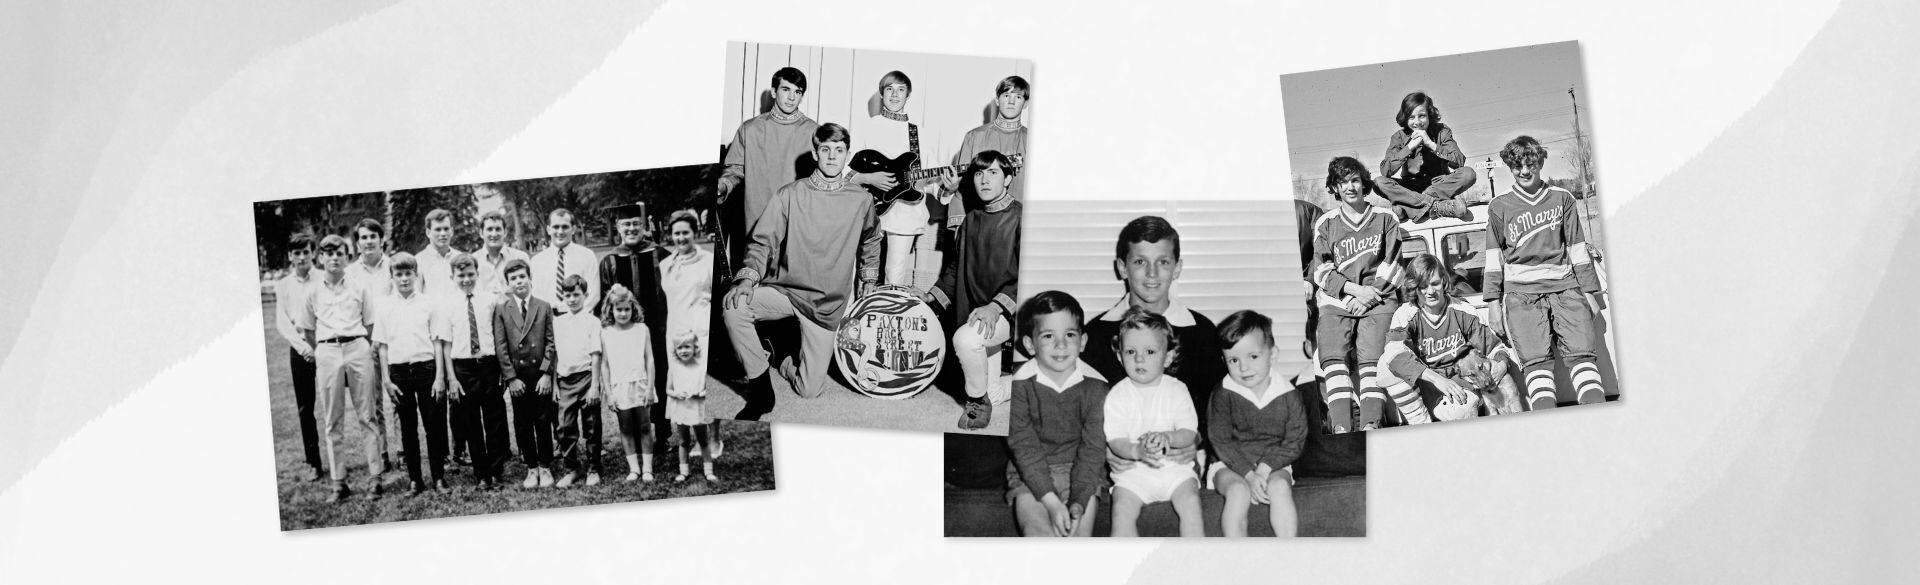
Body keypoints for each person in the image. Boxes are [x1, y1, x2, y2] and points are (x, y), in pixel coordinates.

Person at [723, 123, 882, 418]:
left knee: (809, 391)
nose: (832, 156)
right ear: (814, 152)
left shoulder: (861, 199)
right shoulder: (790, 194)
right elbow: (762, 240)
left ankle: (781, 354)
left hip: (825, 304)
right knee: (734, 305)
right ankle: (760, 392)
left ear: (848, 154)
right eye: (825, 149)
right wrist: (746, 278)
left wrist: (868, 279)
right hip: (786, 290)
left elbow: (872, 238)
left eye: (839, 150)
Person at [1485, 135, 1607, 409]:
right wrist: (1493, 304)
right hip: (1522, 297)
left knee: (1583, 360)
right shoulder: (1499, 206)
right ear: (1510, 167)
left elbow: (1577, 248)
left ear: (1540, 162)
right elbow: (1493, 260)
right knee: (1537, 368)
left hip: (1565, 289)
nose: (1525, 171)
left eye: (1530, 164)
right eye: (1518, 167)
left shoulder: (1561, 198)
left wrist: (1590, 293)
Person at [1082, 216, 1221, 438]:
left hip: (1184, 458)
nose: (1152, 273)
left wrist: (1191, 446)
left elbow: (1218, 412)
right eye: (1140, 262)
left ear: (1177, 268)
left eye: (1163, 262)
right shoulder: (1096, 334)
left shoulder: (1203, 333)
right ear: (1122, 268)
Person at [1311, 156, 1406, 433]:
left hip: (1378, 297)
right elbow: (1322, 271)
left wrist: (1369, 294)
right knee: (1332, 355)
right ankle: (1341, 427)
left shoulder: (1384, 217)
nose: (1350, 187)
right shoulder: (1326, 223)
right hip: (1339, 300)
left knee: (1372, 358)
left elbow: (1393, 266)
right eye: (1343, 182)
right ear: (1335, 187)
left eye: (1354, 180)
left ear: (1363, 183)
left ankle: (1370, 425)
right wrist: (1353, 292)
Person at [928, 151, 1021, 430]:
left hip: (1010, 314)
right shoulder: (971, 219)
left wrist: (995, 307)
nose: (984, 180)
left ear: (1008, 179)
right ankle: (1030, 382)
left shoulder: (1021, 218)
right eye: (979, 173)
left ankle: (978, 405)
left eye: (993, 173)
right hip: (978, 312)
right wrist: (931, 296)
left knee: (966, 340)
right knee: (988, 388)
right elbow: (956, 270)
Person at [1004, 291, 1105, 538]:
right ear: (1030, 344)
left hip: (1080, 473)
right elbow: (1025, 448)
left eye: (1069, 335)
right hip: (1030, 474)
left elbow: (1092, 451)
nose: (1061, 345)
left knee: (1078, 538)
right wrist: (1051, 503)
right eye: (1048, 336)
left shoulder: (1097, 387)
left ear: (1082, 341)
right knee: (1038, 535)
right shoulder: (1017, 387)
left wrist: (1079, 502)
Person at [296, 234, 387, 501]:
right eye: (329, 253)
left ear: (347, 258)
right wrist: (324, 349)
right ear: (320, 258)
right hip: (327, 350)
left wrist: (357, 346)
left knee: (367, 414)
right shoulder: (311, 291)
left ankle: (375, 477)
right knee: (332, 419)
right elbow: (308, 330)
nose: (334, 258)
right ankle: (339, 482)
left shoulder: (359, 287)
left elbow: (370, 326)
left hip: (357, 346)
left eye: (339, 254)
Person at [1381, 253, 1522, 423]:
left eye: (1435, 284)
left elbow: (1494, 347)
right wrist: (1437, 380)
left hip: (1460, 384)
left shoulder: (1461, 309)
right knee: (1385, 367)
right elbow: (1394, 356)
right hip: (1427, 384)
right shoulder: (1405, 314)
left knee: (1464, 408)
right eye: (1423, 286)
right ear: (1414, 288)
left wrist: (1502, 364)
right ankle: (1421, 424)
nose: (1430, 292)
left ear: (1444, 280)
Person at [1103, 307, 1203, 538]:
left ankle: (1197, 559)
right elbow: (1115, 440)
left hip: (1174, 470)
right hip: (1134, 473)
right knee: (1121, 510)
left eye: (1149, 351)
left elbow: (1189, 431)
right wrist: (1136, 450)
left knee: (1190, 502)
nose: (1139, 358)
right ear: (1119, 356)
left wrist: (1169, 437)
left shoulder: (1177, 390)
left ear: (1168, 357)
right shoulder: (1117, 395)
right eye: (1130, 351)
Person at [1206, 310, 1305, 537]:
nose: (1243, 367)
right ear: (1224, 360)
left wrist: (1264, 469)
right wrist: (1248, 475)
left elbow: (1294, 441)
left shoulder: (1289, 394)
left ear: (1272, 355)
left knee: (1279, 487)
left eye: (1253, 356)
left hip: (1273, 464)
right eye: (1233, 360)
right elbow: (1220, 439)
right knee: (1238, 491)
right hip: (1228, 463)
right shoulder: (1223, 393)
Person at [718, 66, 821, 272]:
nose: (792, 97)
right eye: (786, 89)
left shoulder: (813, 131)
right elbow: (735, 170)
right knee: (750, 288)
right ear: (774, 92)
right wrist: (723, 185)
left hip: (794, 224)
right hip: (755, 220)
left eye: (798, 92)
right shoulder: (750, 128)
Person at [852, 70, 944, 288]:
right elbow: (845, 170)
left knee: (894, 276)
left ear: (908, 95)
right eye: (889, 89)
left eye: (900, 89)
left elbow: (930, 180)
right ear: (881, 94)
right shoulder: (867, 126)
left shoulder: (919, 132)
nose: (895, 95)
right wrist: (869, 178)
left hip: (905, 213)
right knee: (861, 271)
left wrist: (947, 187)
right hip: (868, 209)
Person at [596, 203, 673, 461]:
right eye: (626, 224)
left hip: (660, 331)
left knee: (659, 378)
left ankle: (662, 435)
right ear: (618, 228)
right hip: (624, 337)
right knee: (629, 379)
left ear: (643, 226)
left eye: (635, 224)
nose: (631, 228)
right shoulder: (608, 261)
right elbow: (604, 304)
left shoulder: (661, 254)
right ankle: (635, 434)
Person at [375, 253, 452, 494]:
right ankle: (415, 479)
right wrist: (387, 380)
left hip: (427, 369)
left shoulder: (429, 304)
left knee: (434, 425)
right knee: (408, 428)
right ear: (392, 277)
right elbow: (383, 345)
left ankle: (439, 477)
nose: (404, 279)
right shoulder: (385, 306)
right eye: (399, 274)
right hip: (399, 373)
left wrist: (440, 377)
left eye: (409, 273)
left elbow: (438, 342)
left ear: (416, 275)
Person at [441, 252, 511, 489]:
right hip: (463, 368)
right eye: (461, 275)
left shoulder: (490, 300)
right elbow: (447, 343)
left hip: (489, 364)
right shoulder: (447, 304)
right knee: (470, 422)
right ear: (453, 276)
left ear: (477, 274)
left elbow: (499, 336)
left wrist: (502, 368)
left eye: (470, 274)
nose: (466, 279)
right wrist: (451, 377)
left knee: (495, 419)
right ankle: (481, 474)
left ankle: (496, 470)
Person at [659, 210, 722, 456]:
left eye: (686, 232)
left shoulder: (708, 261)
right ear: (670, 235)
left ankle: (714, 440)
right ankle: (694, 439)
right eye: (676, 233)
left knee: (704, 387)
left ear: (694, 233)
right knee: (684, 386)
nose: (681, 237)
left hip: (702, 332)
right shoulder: (666, 264)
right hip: (676, 334)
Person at [493, 258, 557, 489]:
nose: (519, 282)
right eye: (513, 279)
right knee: (522, 422)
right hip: (518, 378)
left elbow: (550, 342)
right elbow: (501, 346)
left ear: (530, 278)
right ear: (507, 284)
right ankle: (531, 467)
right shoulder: (502, 309)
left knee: (543, 420)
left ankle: (545, 466)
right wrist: (510, 378)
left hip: (539, 375)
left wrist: (547, 374)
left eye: (522, 277)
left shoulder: (543, 306)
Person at [414, 208, 466, 468]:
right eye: (437, 229)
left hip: (458, 335)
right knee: (438, 395)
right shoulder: (420, 261)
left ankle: (460, 450)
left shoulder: (459, 257)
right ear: (428, 232)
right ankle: (443, 453)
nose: (443, 233)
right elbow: (416, 299)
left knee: (459, 394)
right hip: (432, 337)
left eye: (446, 228)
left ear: (452, 230)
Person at [941, 75, 1030, 224]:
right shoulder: (974, 136)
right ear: (997, 100)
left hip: (1016, 222)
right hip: (977, 220)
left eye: (1018, 97)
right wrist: (953, 187)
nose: (1011, 101)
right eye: (1006, 95)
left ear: (1026, 103)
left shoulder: (1032, 139)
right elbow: (961, 184)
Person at [1376, 91, 1476, 222]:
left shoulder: (1442, 131)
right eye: (1411, 117)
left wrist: (1430, 143)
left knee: (1468, 174)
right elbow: (1385, 170)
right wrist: (1409, 147)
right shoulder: (1398, 137)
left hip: (1439, 185)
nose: (1417, 122)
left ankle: (1408, 207)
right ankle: (1437, 207)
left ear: (1429, 115)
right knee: (1378, 183)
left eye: (1422, 116)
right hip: (1410, 187)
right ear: (1405, 119)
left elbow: (1459, 161)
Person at [272, 232, 324, 481]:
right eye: (297, 253)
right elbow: (282, 322)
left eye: (306, 251)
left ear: (313, 252)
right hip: (300, 350)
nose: (302, 257)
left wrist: (319, 347)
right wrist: (303, 348)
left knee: (337, 406)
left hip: (326, 347)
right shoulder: (283, 285)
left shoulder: (324, 278)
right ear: (290, 256)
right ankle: (314, 462)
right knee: (306, 408)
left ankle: (343, 460)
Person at [596, 284, 656, 482]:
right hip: (619, 387)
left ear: (633, 309)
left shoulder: (642, 329)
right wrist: (609, 393)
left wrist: (649, 388)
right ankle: (634, 469)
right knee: (626, 428)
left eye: (627, 309)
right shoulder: (606, 332)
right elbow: (604, 365)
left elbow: (649, 359)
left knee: (645, 426)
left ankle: (647, 468)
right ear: (611, 310)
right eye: (618, 309)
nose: (623, 313)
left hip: (640, 384)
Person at [550, 274, 604, 488]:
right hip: (565, 380)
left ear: (585, 295)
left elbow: (596, 355)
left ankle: (593, 467)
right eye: (568, 295)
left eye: (576, 295)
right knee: (564, 426)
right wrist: (554, 383)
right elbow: (554, 355)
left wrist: (595, 386)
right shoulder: (558, 322)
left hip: (586, 377)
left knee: (591, 426)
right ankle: (572, 467)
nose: (572, 299)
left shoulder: (592, 321)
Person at [666, 330, 717, 482]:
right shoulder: (674, 369)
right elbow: (668, 389)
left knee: (703, 440)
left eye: (687, 347)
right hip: (682, 409)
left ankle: (708, 471)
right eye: (680, 348)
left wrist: (701, 393)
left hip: (697, 409)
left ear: (695, 348)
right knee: (683, 441)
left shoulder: (701, 369)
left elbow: (708, 389)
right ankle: (684, 471)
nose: (684, 351)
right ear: (675, 350)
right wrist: (676, 394)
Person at [531, 208, 600, 316]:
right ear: (548, 229)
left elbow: (594, 293)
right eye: (556, 227)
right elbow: (536, 295)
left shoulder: (587, 256)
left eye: (565, 227)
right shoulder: (537, 261)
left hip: (579, 317)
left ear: (573, 229)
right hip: (549, 321)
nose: (560, 231)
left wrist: (576, 316)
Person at [475, 209, 531, 300]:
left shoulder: (520, 257)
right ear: (481, 233)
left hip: (516, 312)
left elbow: (530, 288)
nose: (494, 234)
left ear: (505, 232)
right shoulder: (474, 261)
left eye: (498, 229)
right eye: (489, 229)